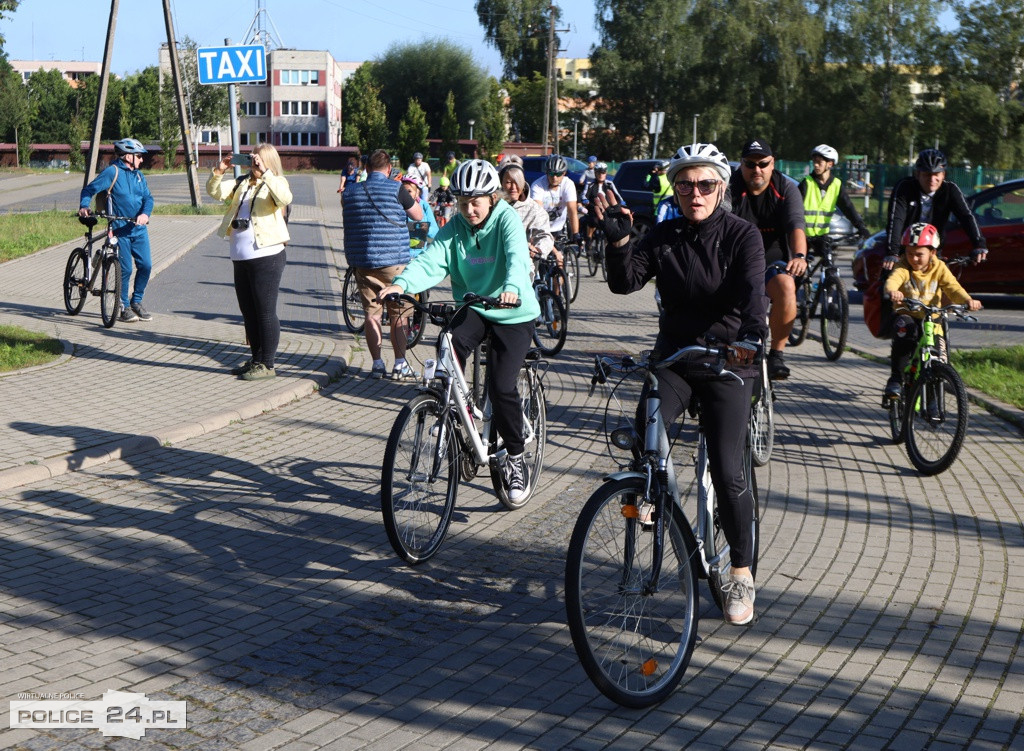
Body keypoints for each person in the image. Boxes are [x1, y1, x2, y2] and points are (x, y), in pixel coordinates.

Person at [592, 142, 767, 626]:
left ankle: (740, 570)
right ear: (675, 187)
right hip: (675, 357)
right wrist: (620, 243)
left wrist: (753, 334)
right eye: (686, 183)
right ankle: (652, 493)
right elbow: (624, 284)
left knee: (730, 471)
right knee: (647, 429)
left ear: (721, 187)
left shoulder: (741, 236)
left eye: (705, 184)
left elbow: (754, 290)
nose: (695, 192)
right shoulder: (664, 236)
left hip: (730, 361)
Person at [378, 160, 541, 502]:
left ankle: (514, 458)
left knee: (500, 385)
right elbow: (431, 258)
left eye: (476, 202)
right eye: (462, 202)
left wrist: (511, 286)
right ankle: (451, 405)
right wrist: (402, 283)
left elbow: (516, 257)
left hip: (513, 311)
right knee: (447, 342)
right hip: (476, 305)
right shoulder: (455, 227)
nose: (469, 210)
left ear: (492, 197)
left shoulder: (506, 219)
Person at [206, 144, 293, 381]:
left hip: (267, 255)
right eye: (252, 158)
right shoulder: (242, 183)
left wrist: (265, 173)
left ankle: (268, 364)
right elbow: (214, 192)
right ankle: (256, 360)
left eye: (258, 159)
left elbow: (285, 198)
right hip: (241, 256)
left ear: (267, 162)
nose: (253, 162)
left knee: (264, 312)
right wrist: (220, 170)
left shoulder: (276, 182)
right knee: (249, 312)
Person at [342, 149, 424, 380]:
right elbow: (417, 216)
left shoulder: (350, 191)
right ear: (389, 169)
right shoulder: (396, 188)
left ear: (366, 169)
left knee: (372, 314)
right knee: (399, 315)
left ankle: (377, 364)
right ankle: (399, 364)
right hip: (394, 263)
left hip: (364, 262)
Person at [729, 138, 808, 380]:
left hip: (773, 259)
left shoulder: (785, 188)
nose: (757, 170)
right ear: (741, 165)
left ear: (772, 164)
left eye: (763, 163)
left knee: (786, 285)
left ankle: (776, 354)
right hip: (737, 261)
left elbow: (796, 225)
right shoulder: (729, 187)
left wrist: (800, 256)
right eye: (750, 164)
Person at [883, 222, 982, 399]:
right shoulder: (903, 266)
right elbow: (894, 280)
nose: (913, 259)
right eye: (910, 253)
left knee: (939, 358)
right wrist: (893, 291)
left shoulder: (939, 268)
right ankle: (896, 380)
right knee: (904, 333)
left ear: (933, 252)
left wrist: (968, 300)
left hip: (932, 318)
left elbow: (953, 287)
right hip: (908, 314)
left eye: (919, 255)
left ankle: (933, 401)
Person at [78, 137, 155, 323]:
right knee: (126, 269)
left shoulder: (139, 176)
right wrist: (84, 205)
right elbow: (89, 190)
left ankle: (136, 302)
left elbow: (148, 199)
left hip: (138, 229)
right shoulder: (112, 172)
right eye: (139, 156)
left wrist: (145, 214)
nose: (142, 160)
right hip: (119, 230)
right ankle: (123, 307)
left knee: (146, 266)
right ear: (127, 156)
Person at [884, 148, 987, 270]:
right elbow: (896, 220)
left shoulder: (950, 190)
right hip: (905, 252)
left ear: (943, 175)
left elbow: (966, 216)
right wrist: (893, 252)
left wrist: (979, 244)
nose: (932, 180)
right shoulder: (904, 188)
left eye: (936, 174)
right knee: (892, 284)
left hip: (933, 253)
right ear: (917, 174)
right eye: (927, 174)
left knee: (947, 285)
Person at [799, 144, 871, 254]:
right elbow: (794, 208)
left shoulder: (836, 185)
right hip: (802, 235)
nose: (816, 165)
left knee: (829, 265)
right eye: (814, 162)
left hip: (822, 236)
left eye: (819, 162)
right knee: (800, 268)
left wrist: (861, 227)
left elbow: (848, 207)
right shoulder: (807, 183)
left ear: (830, 164)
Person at [498, 156, 555, 263]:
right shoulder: (492, 206)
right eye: (508, 182)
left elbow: (544, 236)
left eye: (517, 182)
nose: (513, 187)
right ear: (501, 183)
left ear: (523, 182)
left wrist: (538, 249)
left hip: (522, 265)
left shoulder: (534, 209)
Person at [530, 154, 580, 243]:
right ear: (546, 172)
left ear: (564, 173)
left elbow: (572, 210)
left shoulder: (568, 184)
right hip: (541, 228)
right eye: (551, 174)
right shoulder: (537, 185)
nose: (554, 177)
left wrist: (576, 234)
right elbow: (539, 213)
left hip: (559, 227)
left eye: (558, 174)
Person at [582, 162, 623, 247]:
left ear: (606, 173)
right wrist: (585, 200)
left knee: (612, 225)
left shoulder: (610, 184)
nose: (601, 175)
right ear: (595, 173)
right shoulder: (590, 184)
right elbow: (583, 194)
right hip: (594, 209)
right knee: (592, 222)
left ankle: (608, 245)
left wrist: (622, 202)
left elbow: (617, 195)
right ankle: (588, 240)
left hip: (607, 210)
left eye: (603, 173)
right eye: (599, 173)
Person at [399, 174, 439, 258]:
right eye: (403, 191)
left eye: (409, 191)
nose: (406, 195)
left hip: (420, 254)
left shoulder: (424, 206)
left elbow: (435, 232)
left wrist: (423, 228)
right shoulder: (397, 205)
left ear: (418, 192)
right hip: (401, 254)